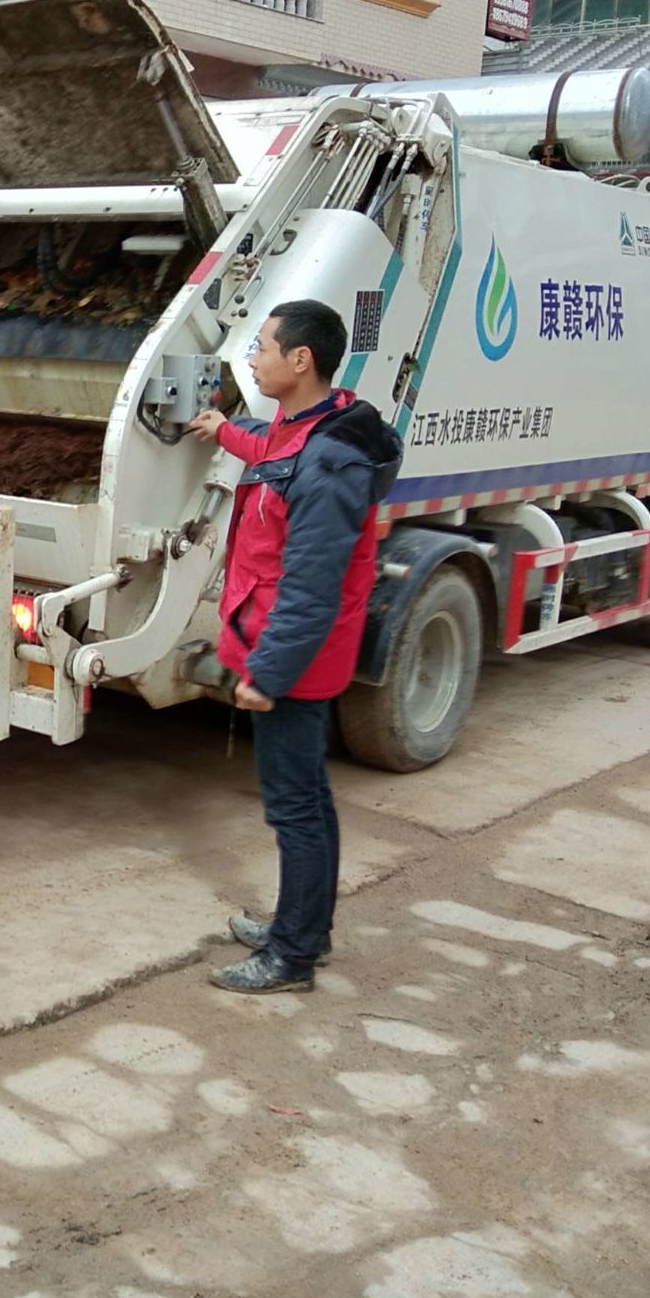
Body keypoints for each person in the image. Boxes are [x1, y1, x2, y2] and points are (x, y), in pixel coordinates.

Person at [187, 298, 402, 995]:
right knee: (309, 797)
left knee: (295, 808)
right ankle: (308, 925)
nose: (253, 359)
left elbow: (311, 586)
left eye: (262, 348)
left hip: (295, 661)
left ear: (299, 361)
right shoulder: (308, 426)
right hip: (286, 650)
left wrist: (268, 672)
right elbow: (271, 450)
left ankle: (292, 956)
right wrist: (224, 429)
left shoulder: (330, 459)